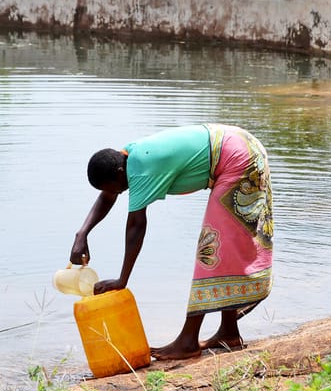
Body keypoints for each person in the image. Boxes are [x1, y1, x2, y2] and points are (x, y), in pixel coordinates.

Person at [70, 124, 273, 361]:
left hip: (240, 159)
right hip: (238, 146)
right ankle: (229, 332)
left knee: (212, 248)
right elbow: (108, 195)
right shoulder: (127, 158)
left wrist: (122, 280)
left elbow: (136, 226)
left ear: (118, 172)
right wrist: (82, 234)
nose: (119, 193)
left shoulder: (141, 168)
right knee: (224, 245)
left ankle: (188, 342)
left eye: (115, 188)